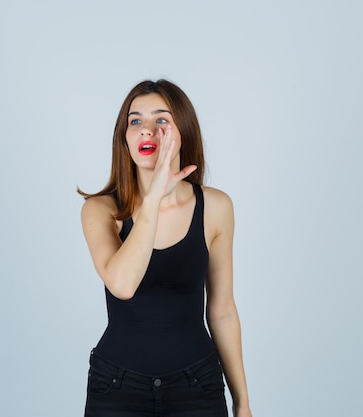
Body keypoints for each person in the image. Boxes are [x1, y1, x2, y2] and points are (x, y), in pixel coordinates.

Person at [78, 79, 252, 417]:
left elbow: (222, 310)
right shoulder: (101, 210)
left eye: (161, 120)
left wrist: (242, 402)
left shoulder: (216, 207)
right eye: (136, 121)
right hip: (116, 387)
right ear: (124, 137)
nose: (147, 130)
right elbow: (123, 284)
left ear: (182, 131)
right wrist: (155, 195)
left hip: (197, 386)